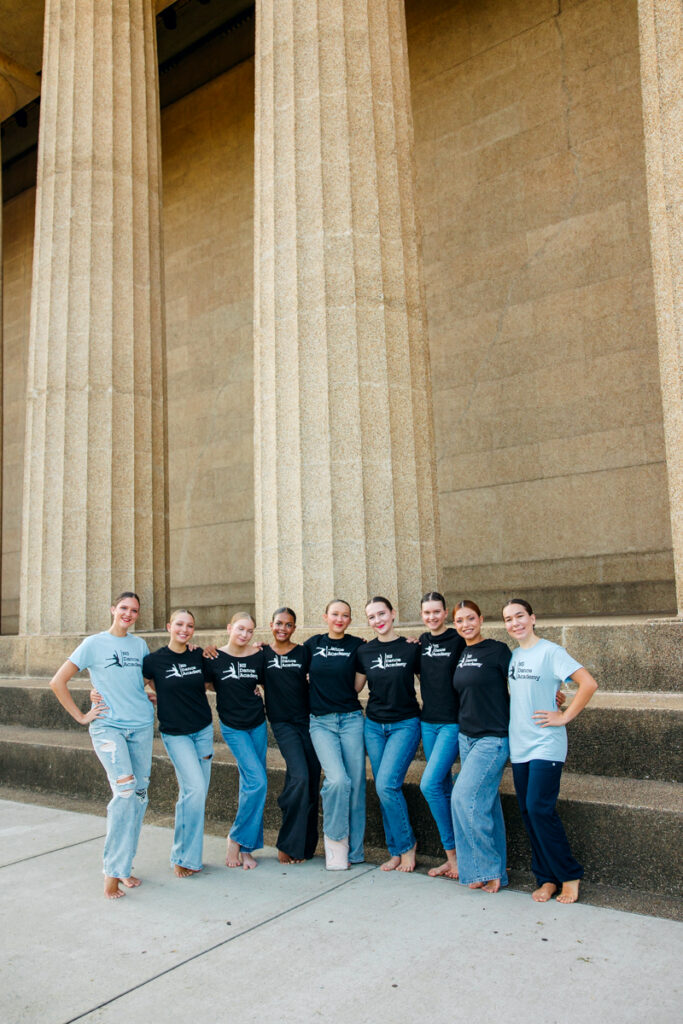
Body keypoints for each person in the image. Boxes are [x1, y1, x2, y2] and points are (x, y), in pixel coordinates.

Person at [48, 592, 153, 899]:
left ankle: (124, 867)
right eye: (124, 608)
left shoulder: (139, 645)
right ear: (113, 609)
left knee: (139, 795)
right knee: (124, 791)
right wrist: (82, 716)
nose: (129, 614)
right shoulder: (94, 643)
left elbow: (141, 681)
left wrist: (152, 694)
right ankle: (111, 870)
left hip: (142, 726)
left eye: (134, 610)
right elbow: (58, 681)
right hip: (109, 727)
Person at [503, 598, 598, 905]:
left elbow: (588, 683)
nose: (515, 623)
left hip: (546, 743)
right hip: (519, 745)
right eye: (508, 619)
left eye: (520, 616)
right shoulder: (513, 656)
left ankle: (570, 875)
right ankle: (546, 878)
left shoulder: (551, 651)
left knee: (540, 808)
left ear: (532, 617)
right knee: (529, 813)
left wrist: (565, 714)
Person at [142, 609, 213, 877]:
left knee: (195, 795)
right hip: (176, 734)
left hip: (203, 732)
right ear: (169, 626)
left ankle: (188, 857)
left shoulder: (198, 655)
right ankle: (182, 856)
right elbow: (135, 685)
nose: (184, 629)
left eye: (190, 625)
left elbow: (214, 683)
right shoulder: (154, 660)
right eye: (179, 624)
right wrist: (149, 696)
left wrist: (253, 686)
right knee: (194, 790)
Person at [355, 596, 421, 873]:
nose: (378, 620)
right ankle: (395, 850)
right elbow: (354, 689)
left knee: (386, 785)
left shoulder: (411, 648)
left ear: (393, 614)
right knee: (385, 789)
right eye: (372, 617)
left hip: (405, 724)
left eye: (381, 614)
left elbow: (433, 679)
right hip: (374, 726)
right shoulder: (365, 652)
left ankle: (407, 846)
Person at [450, 599, 510, 893]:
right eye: (459, 621)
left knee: (463, 797)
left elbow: (520, 681)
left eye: (470, 618)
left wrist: (552, 694)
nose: (465, 625)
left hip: (493, 737)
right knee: (486, 804)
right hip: (467, 737)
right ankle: (493, 870)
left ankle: (486, 869)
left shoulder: (498, 650)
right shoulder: (462, 651)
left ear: (481, 619)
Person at [305, 600, 366, 870]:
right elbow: (285, 660)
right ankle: (335, 841)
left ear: (350, 620)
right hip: (321, 723)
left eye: (345, 616)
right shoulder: (312, 645)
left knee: (356, 786)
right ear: (325, 616)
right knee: (338, 780)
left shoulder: (358, 646)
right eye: (335, 614)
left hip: (352, 720)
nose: (340, 619)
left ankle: (355, 852)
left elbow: (357, 685)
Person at [204, 612, 267, 870]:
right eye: (240, 629)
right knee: (258, 781)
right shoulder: (213, 657)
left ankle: (248, 848)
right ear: (230, 627)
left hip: (258, 724)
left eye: (250, 631)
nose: (245, 634)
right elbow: (205, 684)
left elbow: (270, 680)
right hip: (233, 727)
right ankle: (236, 838)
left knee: (250, 784)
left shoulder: (259, 655)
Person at [263, 607, 321, 863]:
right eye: (279, 623)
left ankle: (305, 847)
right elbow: (234, 662)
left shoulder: (304, 652)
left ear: (294, 628)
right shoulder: (261, 653)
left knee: (310, 781)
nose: (283, 628)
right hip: (282, 723)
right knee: (299, 776)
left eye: (288, 625)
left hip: (308, 722)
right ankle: (287, 842)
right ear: (271, 625)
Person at [418, 591, 465, 879]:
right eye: (427, 613)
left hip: (452, 723)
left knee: (430, 784)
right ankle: (456, 856)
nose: (432, 617)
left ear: (445, 613)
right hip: (428, 722)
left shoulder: (458, 641)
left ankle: (454, 855)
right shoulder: (420, 643)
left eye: (437, 612)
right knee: (443, 785)